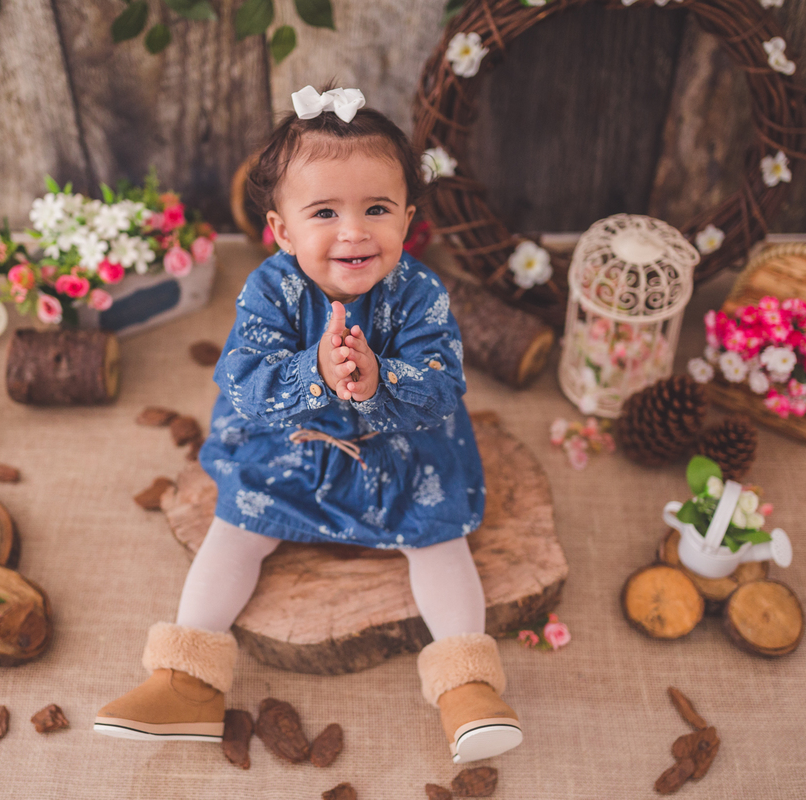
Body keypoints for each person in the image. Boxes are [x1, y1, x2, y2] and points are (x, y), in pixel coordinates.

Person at [94, 85, 522, 764]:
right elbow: (241, 382)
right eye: (325, 212)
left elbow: (442, 388)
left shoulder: (419, 294)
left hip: (401, 457)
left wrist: (382, 380)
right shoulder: (269, 291)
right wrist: (313, 373)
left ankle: (466, 688)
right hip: (289, 454)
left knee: (440, 545)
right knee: (234, 532)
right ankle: (187, 681)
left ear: (408, 219)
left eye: (376, 209)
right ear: (283, 229)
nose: (354, 231)